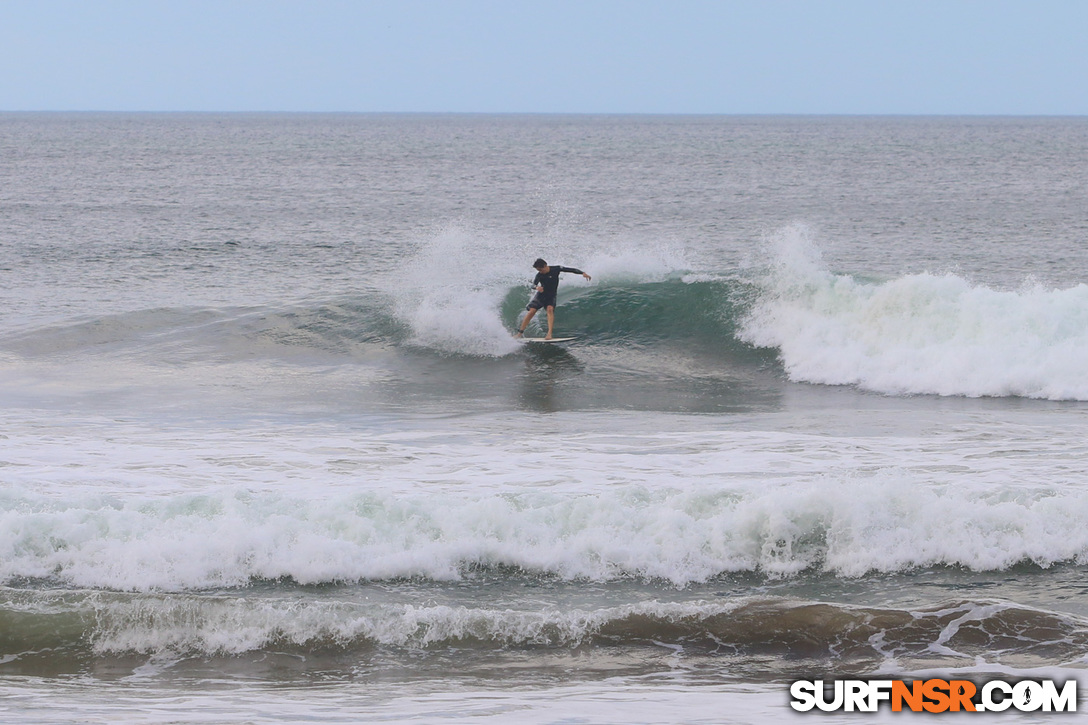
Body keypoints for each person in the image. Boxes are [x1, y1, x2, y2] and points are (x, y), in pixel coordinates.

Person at [515, 258, 591, 339]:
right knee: (531, 311)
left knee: (550, 309)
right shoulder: (539, 275)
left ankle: (549, 334)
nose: (540, 271)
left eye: (540, 269)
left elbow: (571, 270)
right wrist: (537, 287)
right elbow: (533, 285)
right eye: (538, 270)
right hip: (541, 295)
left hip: (551, 295)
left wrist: (582, 273)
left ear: (545, 266)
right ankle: (519, 333)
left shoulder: (556, 269)